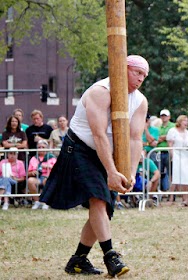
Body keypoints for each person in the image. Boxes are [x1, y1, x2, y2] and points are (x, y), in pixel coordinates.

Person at [39, 55, 149, 277]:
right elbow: (98, 135)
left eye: (144, 76)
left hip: (106, 153)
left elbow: (135, 139)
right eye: (137, 72)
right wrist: (111, 171)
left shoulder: (140, 101)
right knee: (99, 199)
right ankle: (111, 256)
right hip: (79, 148)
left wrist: (130, 171)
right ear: (123, 68)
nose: (140, 79)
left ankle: (78, 260)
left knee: (104, 208)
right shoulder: (100, 91)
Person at [166, 115, 188, 206]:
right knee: (174, 179)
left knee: (186, 178)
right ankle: (171, 198)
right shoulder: (172, 131)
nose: (186, 122)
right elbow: (170, 145)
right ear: (179, 122)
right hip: (176, 157)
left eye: (187, 120)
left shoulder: (187, 132)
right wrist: (174, 156)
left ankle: (185, 198)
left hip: (186, 157)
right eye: (184, 120)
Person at [28, 140, 56, 210]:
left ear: (46, 148)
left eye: (43, 147)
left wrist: (49, 166)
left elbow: (57, 170)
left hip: (49, 177)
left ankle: (45, 202)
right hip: (38, 177)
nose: (41, 149)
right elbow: (28, 173)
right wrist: (33, 172)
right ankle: (37, 201)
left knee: (46, 181)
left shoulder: (52, 157)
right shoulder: (34, 158)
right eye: (39, 147)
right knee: (30, 181)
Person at [156, 109, 175, 192]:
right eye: (162, 116)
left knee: (170, 173)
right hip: (160, 152)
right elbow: (156, 138)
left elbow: (169, 137)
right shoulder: (158, 127)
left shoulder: (173, 126)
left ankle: (171, 192)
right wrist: (165, 137)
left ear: (169, 117)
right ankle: (162, 190)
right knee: (159, 172)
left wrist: (162, 138)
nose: (164, 117)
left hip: (168, 152)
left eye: (165, 116)